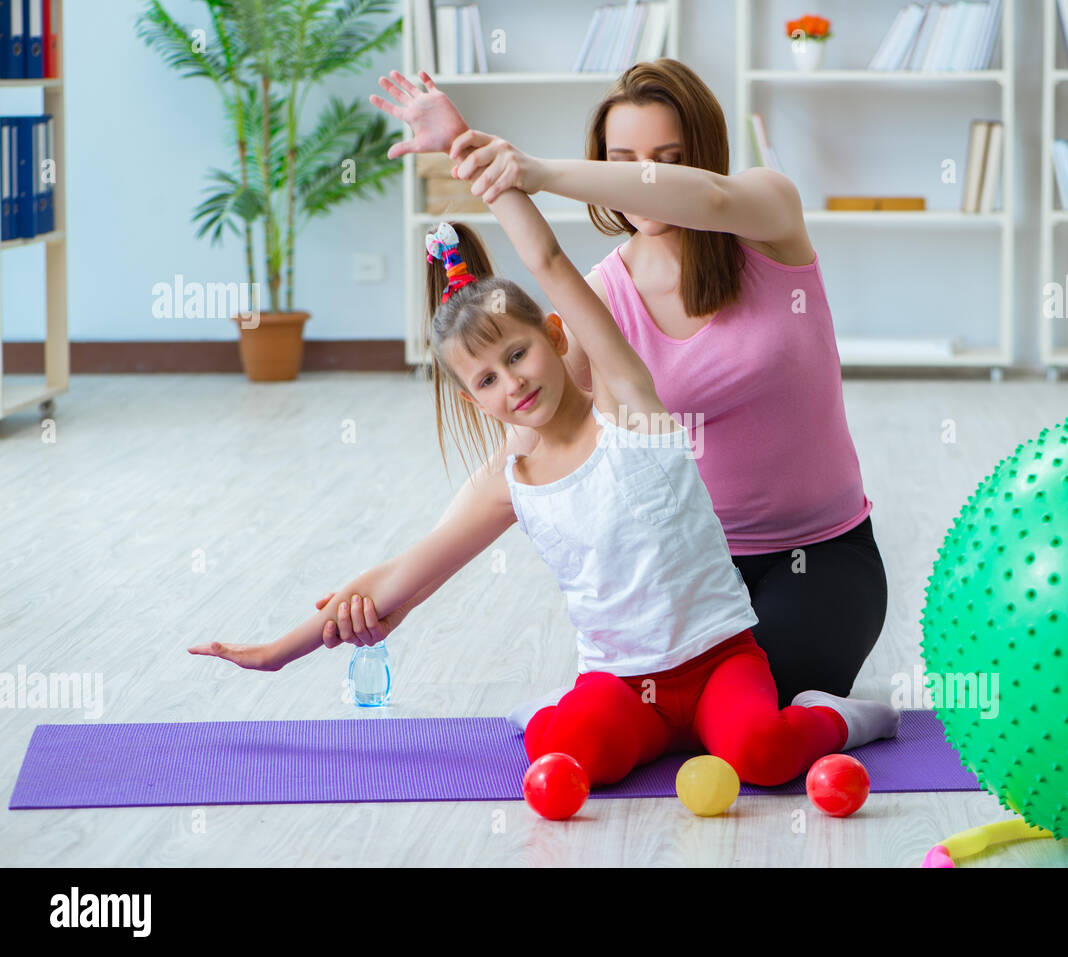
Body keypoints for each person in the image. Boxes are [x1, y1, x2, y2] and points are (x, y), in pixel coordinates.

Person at [190, 87, 900, 785]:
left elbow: (698, 207)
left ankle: (820, 714)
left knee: (754, 726)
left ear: (700, 159)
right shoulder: (598, 304)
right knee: (658, 720)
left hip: (819, 559)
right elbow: (519, 460)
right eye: (623, 159)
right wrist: (379, 601)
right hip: (701, 573)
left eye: (666, 158)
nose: (641, 179)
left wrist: (527, 171)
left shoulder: (764, 210)